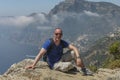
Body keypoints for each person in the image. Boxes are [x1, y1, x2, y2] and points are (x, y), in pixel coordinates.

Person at [25, 28, 89, 75]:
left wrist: (78, 58)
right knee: (69, 65)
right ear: (54, 34)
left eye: (60, 34)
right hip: (54, 64)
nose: (58, 35)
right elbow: (40, 54)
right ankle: (71, 67)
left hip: (61, 59)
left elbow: (74, 48)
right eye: (56, 34)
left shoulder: (62, 42)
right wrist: (33, 65)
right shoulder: (49, 43)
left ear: (62, 35)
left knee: (73, 52)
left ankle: (83, 69)